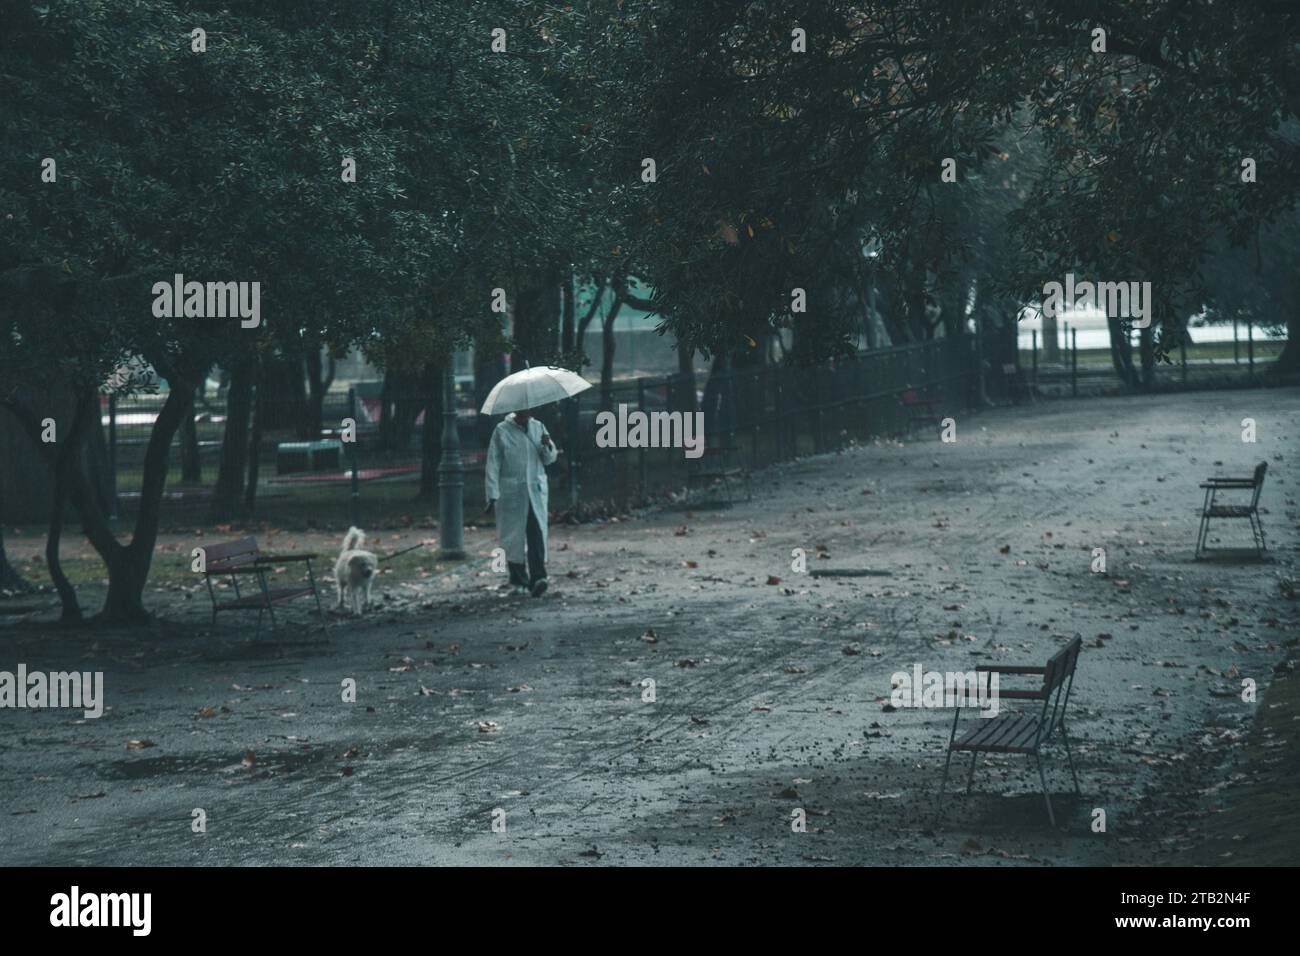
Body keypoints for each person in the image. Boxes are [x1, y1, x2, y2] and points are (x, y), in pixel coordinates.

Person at [483, 406, 558, 597]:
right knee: (512, 536)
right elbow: (493, 463)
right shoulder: (501, 430)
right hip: (511, 492)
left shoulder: (539, 427)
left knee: (536, 533)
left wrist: (546, 445)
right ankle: (518, 580)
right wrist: (492, 493)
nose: (527, 412)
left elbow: (549, 459)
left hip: (534, 490)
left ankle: (538, 577)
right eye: (522, 409)